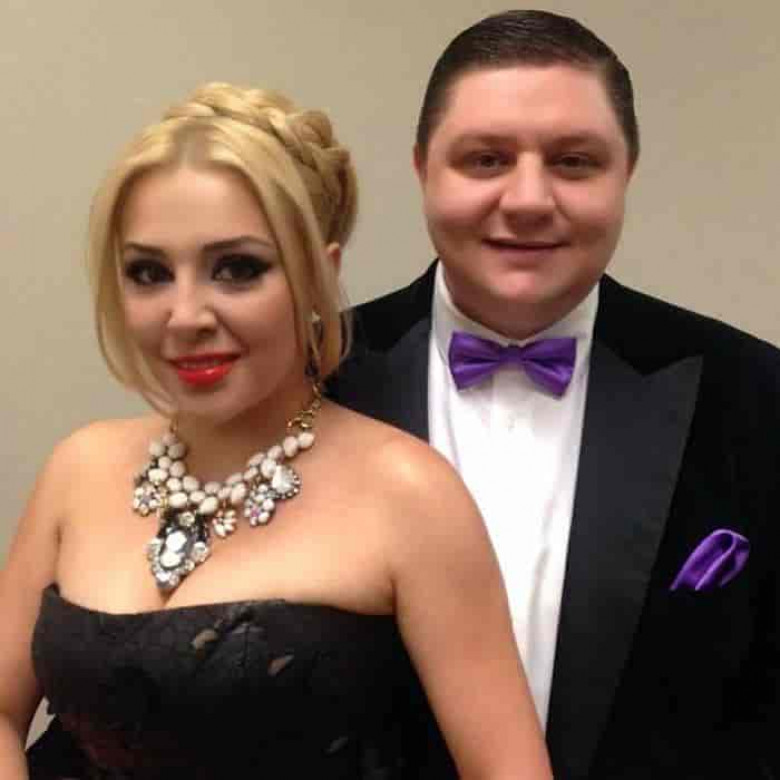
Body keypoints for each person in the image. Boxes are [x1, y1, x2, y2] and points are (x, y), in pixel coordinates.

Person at [0, 82, 552, 778]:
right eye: (149, 273)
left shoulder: (408, 495)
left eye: (237, 269)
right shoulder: (79, 468)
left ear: (319, 275)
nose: (185, 316)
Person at [333, 10, 780, 779]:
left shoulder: (757, 395)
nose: (529, 199)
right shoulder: (312, 377)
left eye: (574, 162)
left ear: (626, 173)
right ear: (422, 168)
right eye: (486, 159)